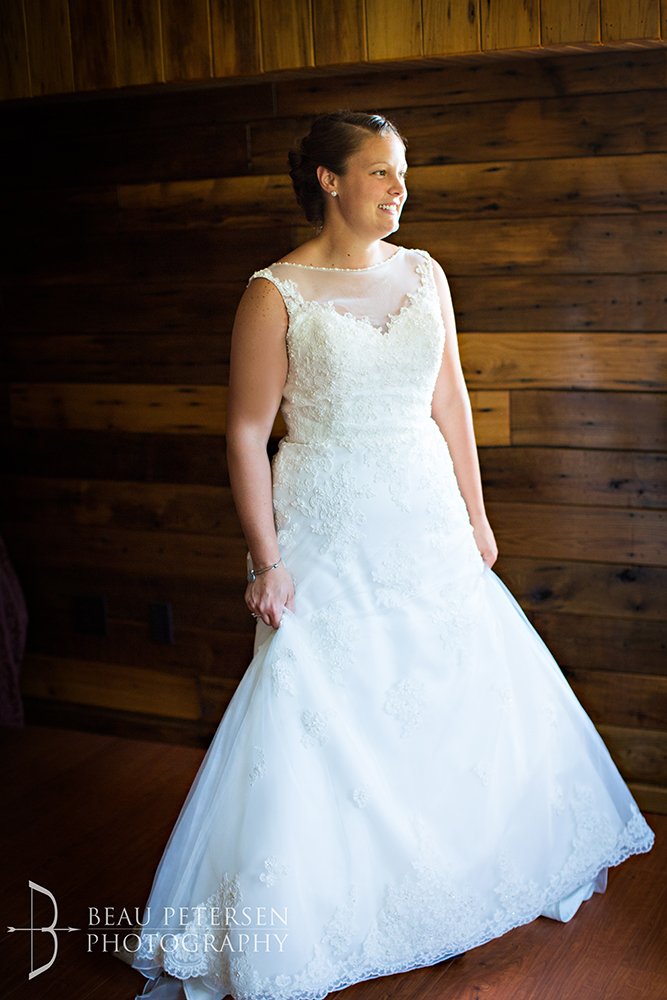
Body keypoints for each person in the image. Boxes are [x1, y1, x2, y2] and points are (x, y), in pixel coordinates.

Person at [128, 111, 655, 1000]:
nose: (398, 188)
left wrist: (476, 516)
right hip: (327, 521)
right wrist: (266, 561)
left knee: (448, 688)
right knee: (324, 701)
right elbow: (247, 432)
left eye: (401, 171)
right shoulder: (274, 292)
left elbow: (450, 400)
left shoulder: (424, 272)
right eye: (379, 171)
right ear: (330, 180)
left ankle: (457, 878)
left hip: (423, 512)